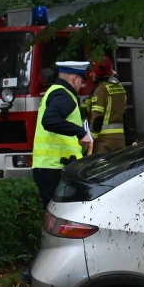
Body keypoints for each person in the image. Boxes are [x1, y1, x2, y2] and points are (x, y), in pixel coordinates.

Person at [32, 60, 93, 208]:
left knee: (56, 215)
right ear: (74, 79)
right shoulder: (64, 95)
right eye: (81, 81)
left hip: (48, 167)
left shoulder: (54, 92)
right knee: (65, 217)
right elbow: (50, 120)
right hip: (55, 169)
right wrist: (80, 133)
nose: (80, 86)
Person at [84, 58, 127, 154]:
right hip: (120, 140)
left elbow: (97, 119)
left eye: (93, 72)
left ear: (99, 73)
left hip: (104, 142)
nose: (91, 75)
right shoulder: (121, 88)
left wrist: (91, 139)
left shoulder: (100, 90)